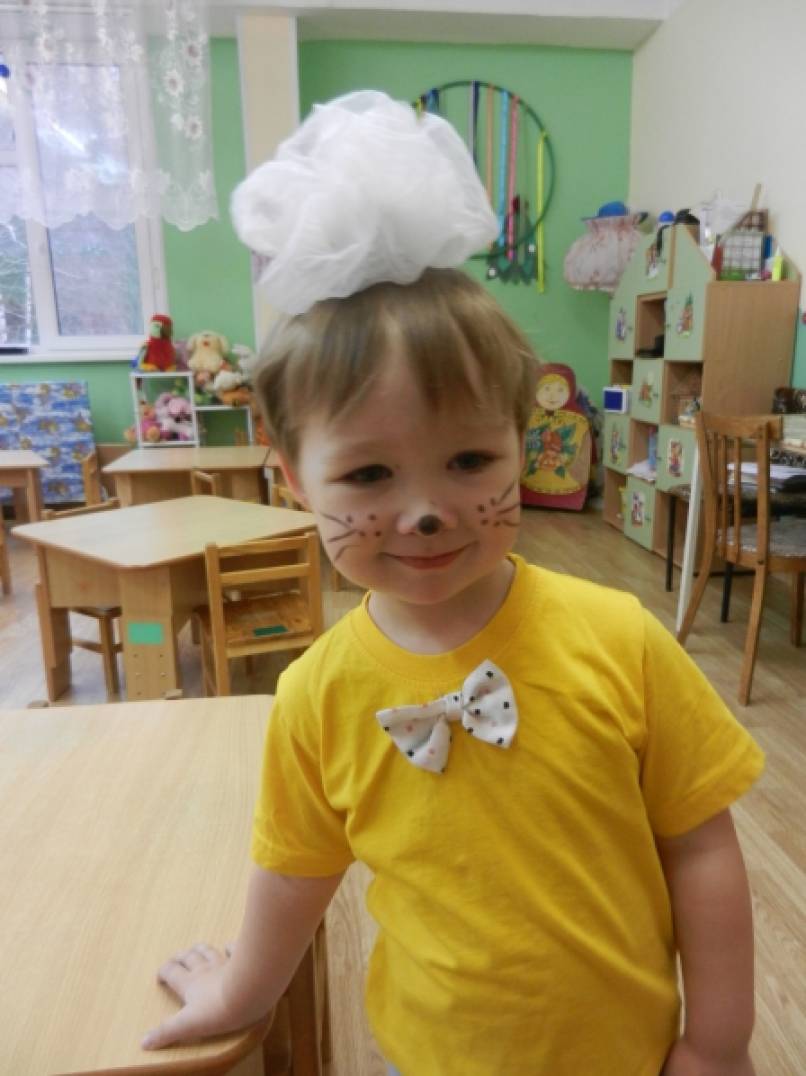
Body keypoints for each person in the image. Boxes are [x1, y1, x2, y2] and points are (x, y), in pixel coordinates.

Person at [142, 92, 763, 1076]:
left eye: (470, 460)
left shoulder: (621, 638)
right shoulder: (314, 695)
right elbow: (294, 875)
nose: (426, 512)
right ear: (294, 476)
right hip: (426, 1055)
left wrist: (718, 1044)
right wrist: (239, 992)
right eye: (369, 474)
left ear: (523, 441)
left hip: (629, 1056)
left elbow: (701, 846)